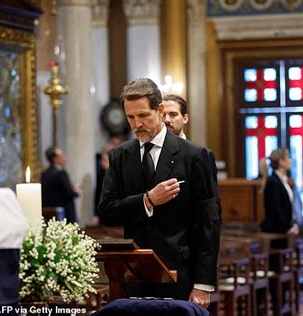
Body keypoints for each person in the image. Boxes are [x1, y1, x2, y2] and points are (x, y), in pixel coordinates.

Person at [98, 78, 221, 308]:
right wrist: (147, 200)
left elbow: (209, 222)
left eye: (143, 115)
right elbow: (107, 212)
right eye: (130, 117)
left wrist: (203, 283)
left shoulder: (195, 155)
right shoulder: (120, 156)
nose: (137, 124)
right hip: (134, 274)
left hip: (181, 274)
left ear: (160, 110)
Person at [260, 148, 299, 237]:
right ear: (281, 162)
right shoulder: (273, 182)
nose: (290, 160)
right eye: (288, 158)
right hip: (277, 231)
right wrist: (288, 228)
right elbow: (275, 210)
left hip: (284, 229)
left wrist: (292, 225)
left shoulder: (283, 180)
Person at [41, 146, 80, 223]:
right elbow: (68, 193)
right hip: (64, 214)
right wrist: (76, 191)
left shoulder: (44, 173)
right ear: (55, 159)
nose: (64, 158)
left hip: (49, 214)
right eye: (62, 156)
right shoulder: (60, 173)